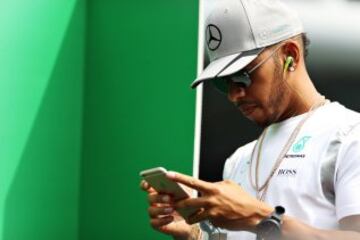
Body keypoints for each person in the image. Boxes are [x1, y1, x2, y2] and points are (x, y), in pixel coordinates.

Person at [140, 0, 360, 239]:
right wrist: (195, 233)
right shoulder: (238, 160)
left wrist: (261, 218)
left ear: (290, 55)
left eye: (243, 76)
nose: (234, 95)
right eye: (223, 82)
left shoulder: (349, 135)